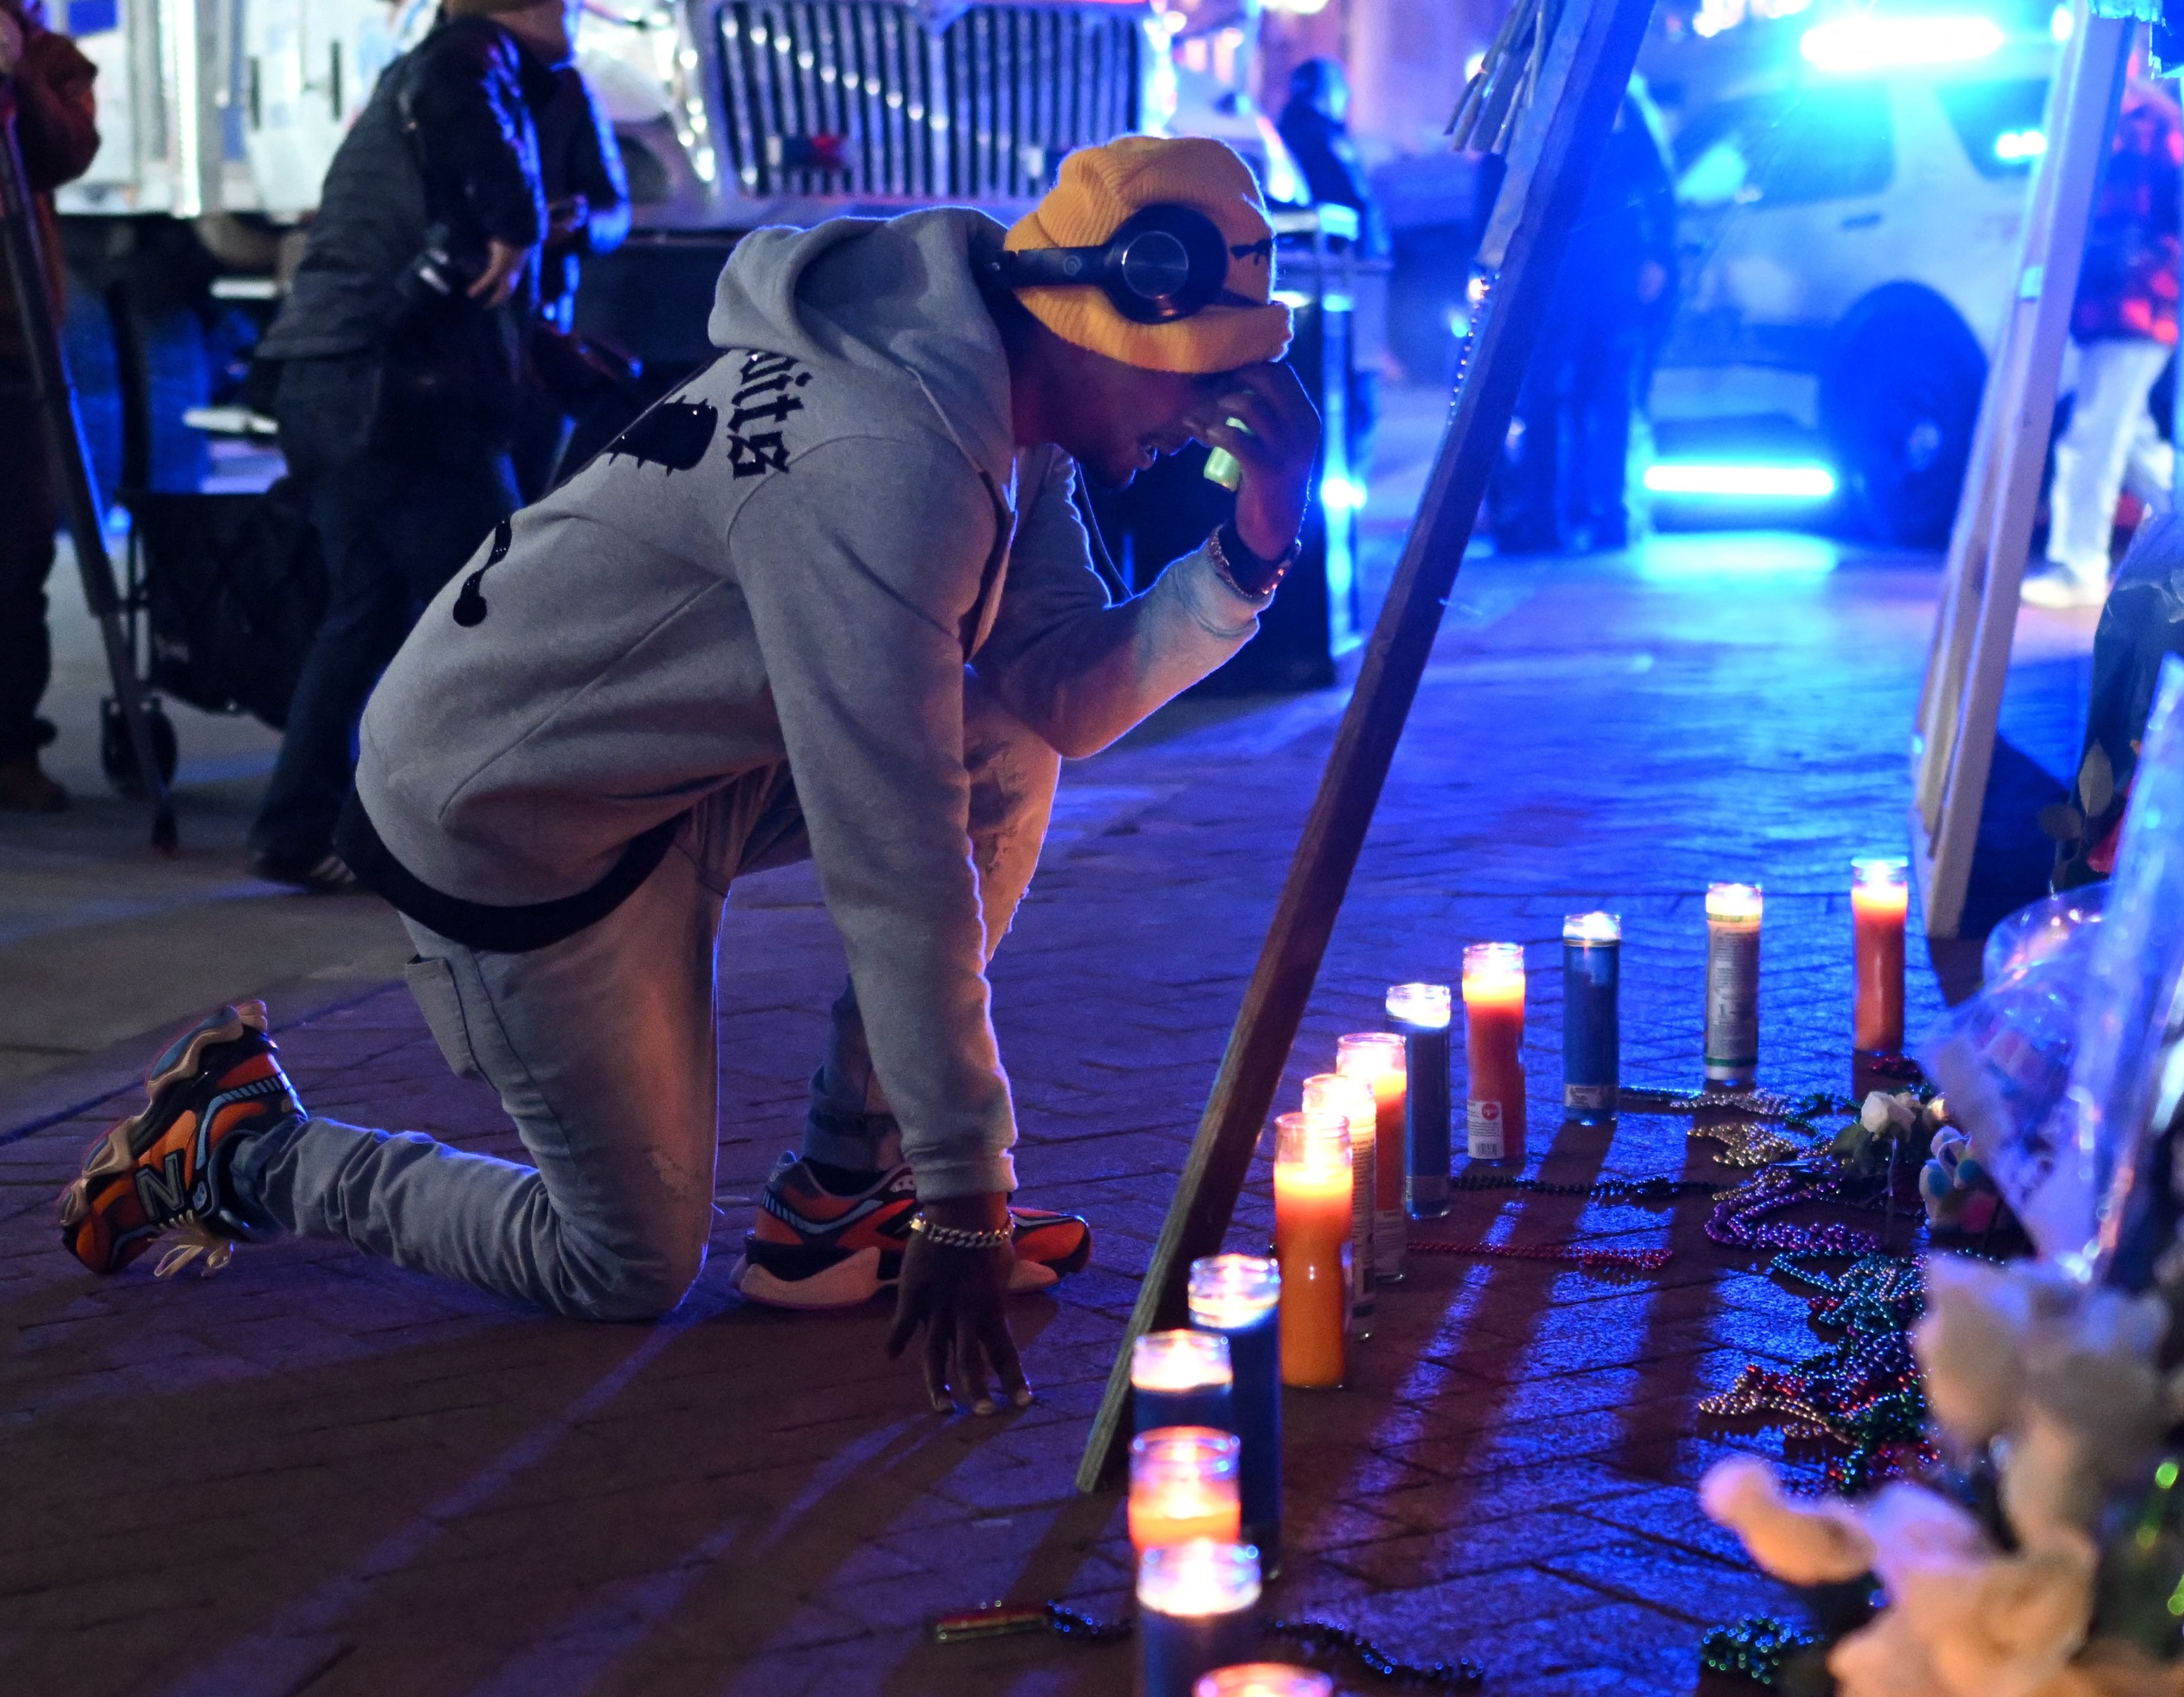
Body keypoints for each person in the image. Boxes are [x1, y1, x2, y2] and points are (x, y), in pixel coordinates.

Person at [57, 135, 1320, 1417]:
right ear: (1101, 320)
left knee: (998, 738)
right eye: (1197, 380)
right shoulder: (887, 462)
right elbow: (894, 852)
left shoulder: (998, 395)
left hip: (670, 769)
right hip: (506, 822)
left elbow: (1056, 698)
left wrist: (1245, 561)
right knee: (618, 1263)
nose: (1200, 423)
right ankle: (241, 1145)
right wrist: (963, 1190)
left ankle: (837, 1198)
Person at [244, 0, 568, 890]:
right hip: (392, 392)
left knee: (373, 613)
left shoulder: (451, 69)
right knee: (494, 607)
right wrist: (518, 219)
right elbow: (457, 98)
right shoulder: (468, 56)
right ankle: (479, 844)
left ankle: (300, 825)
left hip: (335, 380)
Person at [1492, 79, 1676, 555]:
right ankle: (1551, 515)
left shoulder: (1612, 104)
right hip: (1558, 277)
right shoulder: (1547, 97)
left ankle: (1600, 513)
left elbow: (1658, 193)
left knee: (1599, 397)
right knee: (1552, 397)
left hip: (1603, 278)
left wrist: (1655, 255)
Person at [2027, 66, 2183, 611]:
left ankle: (2079, 564)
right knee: (2127, 439)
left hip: (2132, 302)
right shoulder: (2130, 114)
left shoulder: (2137, 117)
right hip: (2123, 303)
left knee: (2095, 435)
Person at [0, 0, 98, 813]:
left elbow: (65, 151)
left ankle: (10, 747)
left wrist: (17, 72)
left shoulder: (50, 56)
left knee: (17, 556)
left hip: (14, 348)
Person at [511, 57, 629, 499]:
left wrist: (579, 225)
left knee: (532, 490)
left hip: (542, 325)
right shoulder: (445, 75)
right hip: (458, 327)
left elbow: (614, 209)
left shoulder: (568, 88)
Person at [1277, 56, 1386, 484]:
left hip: (1340, 275)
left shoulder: (1290, 134)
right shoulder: (1322, 139)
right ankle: (1346, 493)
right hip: (1348, 276)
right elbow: (1355, 204)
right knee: (1355, 390)